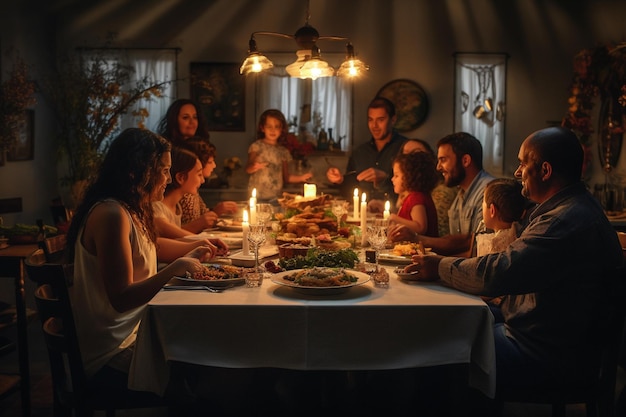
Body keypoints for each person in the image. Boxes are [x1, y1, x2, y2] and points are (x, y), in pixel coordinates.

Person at [406, 126, 624, 395]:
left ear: (545, 171)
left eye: (522, 164)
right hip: (549, 337)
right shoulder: (568, 209)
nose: (517, 173)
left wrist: (438, 265)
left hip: (548, 356)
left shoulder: (564, 221)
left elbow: (499, 272)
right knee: (454, 324)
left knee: (438, 347)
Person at [64, 128, 218, 382]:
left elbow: (151, 248)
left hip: (137, 331)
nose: (168, 179)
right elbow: (121, 298)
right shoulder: (111, 214)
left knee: (208, 344)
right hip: (112, 351)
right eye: (164, 170)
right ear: (138, 170)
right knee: (209, 364)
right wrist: (172, 270)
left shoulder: (132, 208)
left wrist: (197, 248)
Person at [389, 132, 494, 256]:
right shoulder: (460, 195)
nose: (438, 167)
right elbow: (453, 241)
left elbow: (479, 247)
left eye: (443, 160)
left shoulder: (488, 192)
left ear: (465, 161)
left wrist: (417, 239)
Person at [326, 97, 407, 202]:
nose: (374, 126)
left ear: (393, 120)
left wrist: (385, 178)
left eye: (380, 120)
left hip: (396, 214)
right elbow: (349, 190)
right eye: (370, 120)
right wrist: (340, 180)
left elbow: (415, 189)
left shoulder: (405, 149)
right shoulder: (360, 152)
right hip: (365, 214)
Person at [246, 109, 313, 201]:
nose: (273, 130)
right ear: (262, 128)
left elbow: (286, 177)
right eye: (269, 126)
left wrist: (301, 178)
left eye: (276, 127)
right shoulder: (257, 147)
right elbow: (248, 169)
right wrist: (254, 166)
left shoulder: (283, 152)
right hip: (257, 197)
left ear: (282, 129)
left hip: (275, 197)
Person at [179, 138, 238, 233]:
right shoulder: (186, 194)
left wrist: (216, 210)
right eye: (210, 162)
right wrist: (215, 212)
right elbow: (195, 225)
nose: (214, 165)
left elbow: (202, 217)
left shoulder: (193, 190)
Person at [401, 138, 457, 236]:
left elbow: (436, 232)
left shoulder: (442, 192)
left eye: (416, 153)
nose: (410, 160)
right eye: (406, 155)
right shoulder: (414, 191)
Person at [387, 151, 439, 236]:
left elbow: (420, 227)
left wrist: (395, 218)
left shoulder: (416, 198)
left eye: (396, 176)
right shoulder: (410, 197)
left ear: (409, 176)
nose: (392, 179)